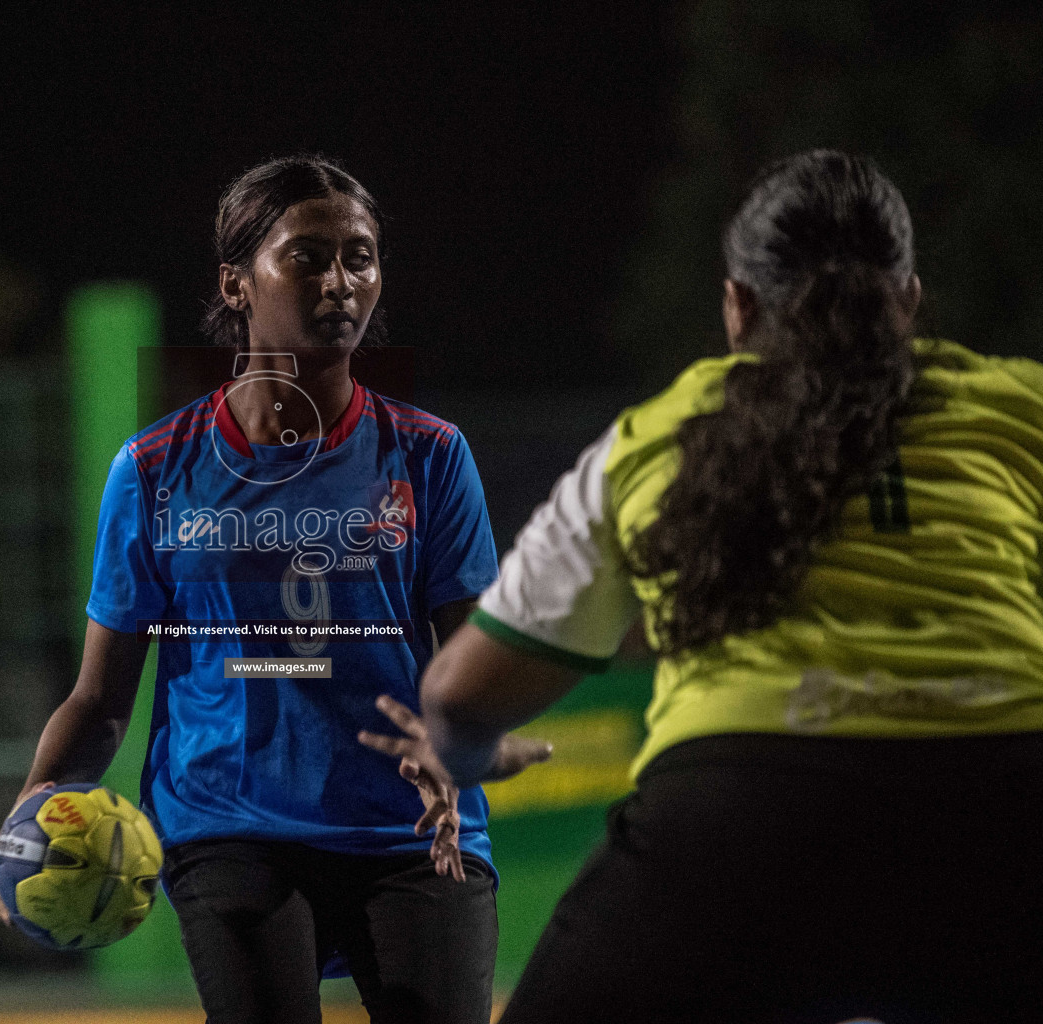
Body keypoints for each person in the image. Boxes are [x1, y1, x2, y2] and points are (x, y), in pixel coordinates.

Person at [361, 150, 1043, 1023]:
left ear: (737, 307)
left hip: (738, 821)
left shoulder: (661, 433)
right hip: (1005, 814)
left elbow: (457, 692)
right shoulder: (1016, 406)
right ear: (908, 299)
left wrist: (460, 758)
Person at [0, 155, 546, 1024]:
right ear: (236, 284)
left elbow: (478, 660)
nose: (341, 281)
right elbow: (101, 700)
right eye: (308, 257)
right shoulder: (157, 471)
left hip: (411, 827)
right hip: (231, 827)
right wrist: (34, 803)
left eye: (360, 256)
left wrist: (465, 746)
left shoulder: (430, 456)